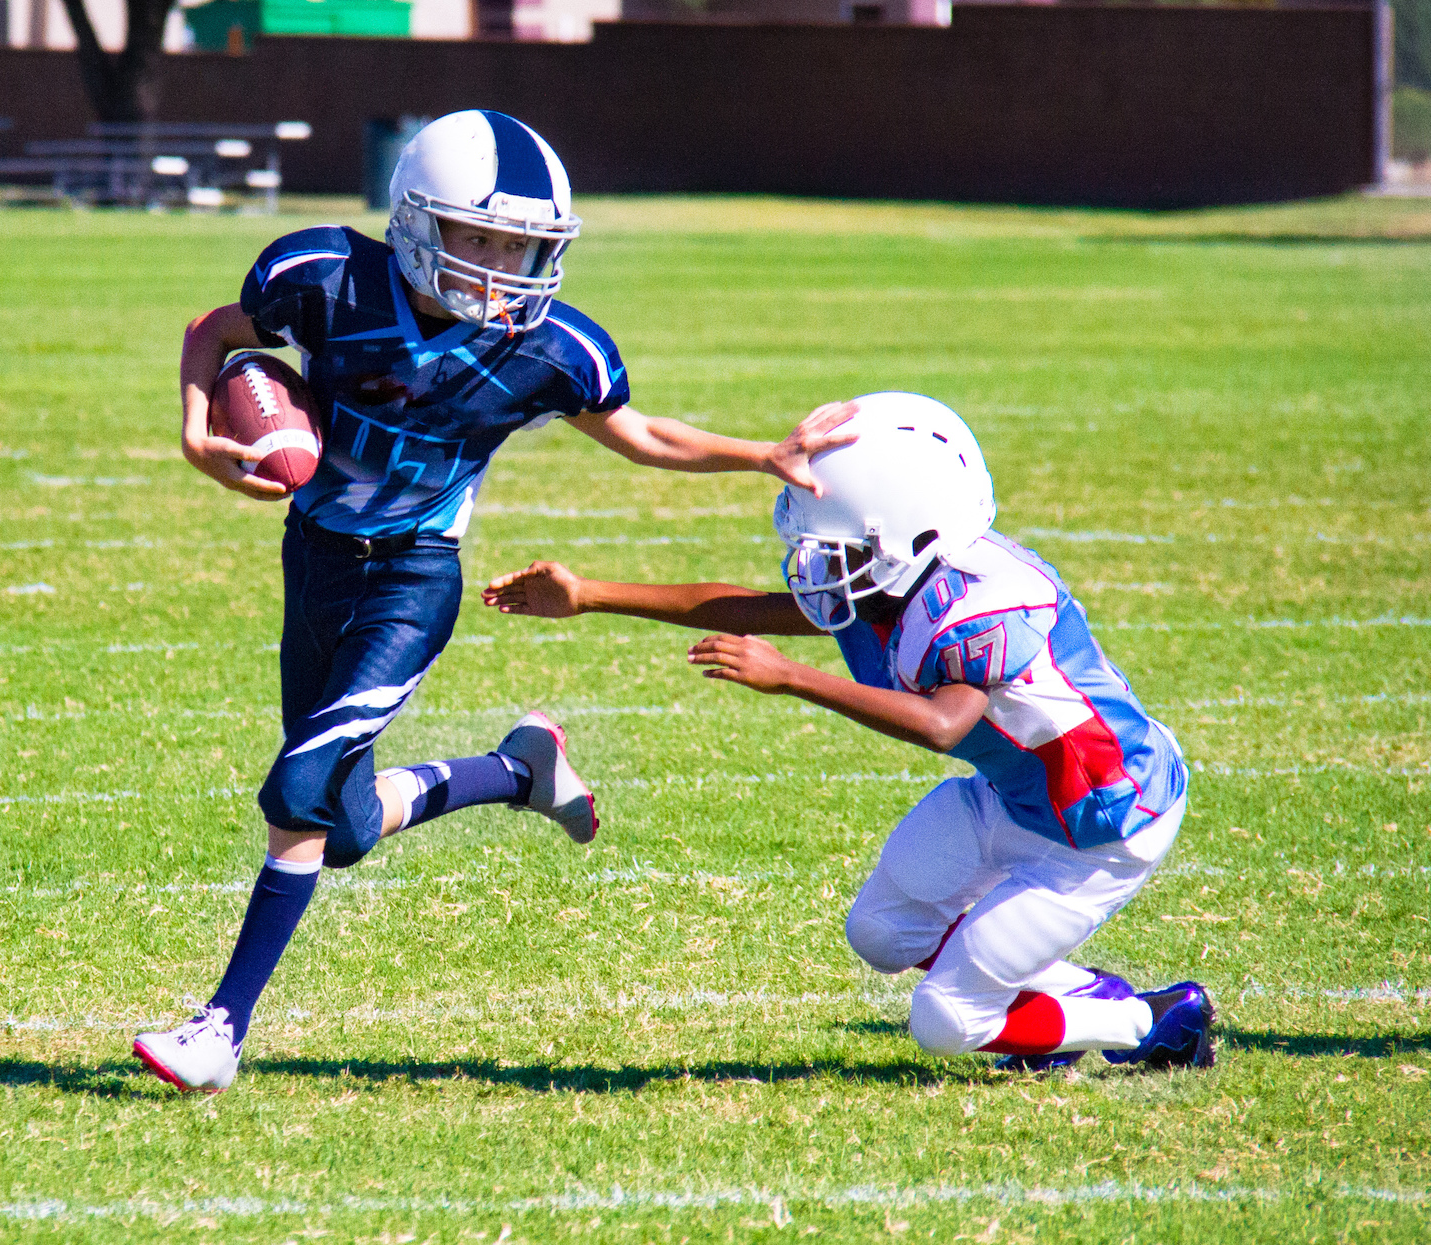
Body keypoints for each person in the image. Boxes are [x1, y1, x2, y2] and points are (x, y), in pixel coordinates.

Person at [133, 110, 852, 1092]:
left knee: (296, 793)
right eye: (481, 238)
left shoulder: (549, 351)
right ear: (419, 224)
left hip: (411, 581)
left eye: (523, 246)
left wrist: (757, 453)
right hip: (315, 560)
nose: (504, 265)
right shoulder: (324, 280)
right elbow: (215, 333)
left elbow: (642, 435)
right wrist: (194, 430)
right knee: (337, 826)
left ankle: (219, 1028)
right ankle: (520, 768)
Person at [482, 391, 1216, 1072]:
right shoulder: (897, 577)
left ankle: (1149, 1023)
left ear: (905, 531)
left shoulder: (984, 608)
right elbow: (749, 607)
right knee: (881, 930)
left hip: (1099, 829)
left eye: (836, 541)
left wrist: (796, 677)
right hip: (1018, 798)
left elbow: (941, 723)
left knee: (944, 1019)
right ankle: (1074, 1001)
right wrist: (590, 595)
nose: (818, 556)